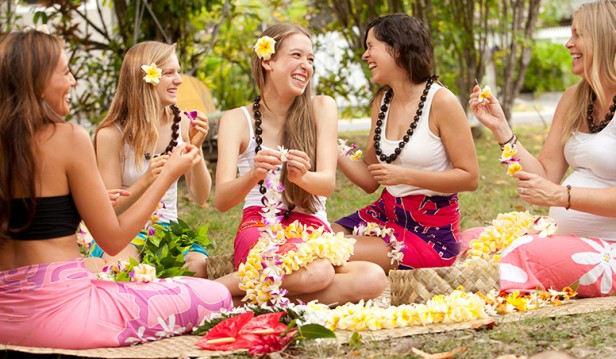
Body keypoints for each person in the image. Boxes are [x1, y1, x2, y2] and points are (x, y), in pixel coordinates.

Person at [0, 29, 231, 349]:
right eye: (65, 72)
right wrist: (163, 177)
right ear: (37, 80)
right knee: (216, 295)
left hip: (5, 318)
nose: (73, 82)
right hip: (66, 316)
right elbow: (112, 237)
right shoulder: (69, 138)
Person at [214, 23, 387, 305]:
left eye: (310, 59)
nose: (305, 65)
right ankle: (220, 293)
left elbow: (326, 184)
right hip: (261, 228)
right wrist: (253, 175)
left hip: (313, 229)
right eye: (296, 55)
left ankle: (233, 297)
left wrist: (302, 176)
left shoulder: (321, 108)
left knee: (373, 277)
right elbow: (221, 200)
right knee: (317, 273)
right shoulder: (236, 120)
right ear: (268, 60)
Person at [468, 0, 616, 297]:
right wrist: (502, 130)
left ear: (604, 39)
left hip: (608, 248)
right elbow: (546, 175)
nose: (568, 43)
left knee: (524, 253)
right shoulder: (573, 99)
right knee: (472, 241)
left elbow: (554, 190)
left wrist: (563, 196)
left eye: (578, 34)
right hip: (563, 234)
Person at [332, 14, 479, 272]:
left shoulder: (441, 101)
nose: (365, 55)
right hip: (385, 213)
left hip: (430, 234)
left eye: (371, 46)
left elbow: (469, 178)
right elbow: (369, 180)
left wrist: (404, 175)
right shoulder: (382, 102)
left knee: (333, 251)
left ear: (397, 49)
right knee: (318, 238)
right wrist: (330, 144)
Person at [90, 41, 211, 277]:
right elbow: (109, 211)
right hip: (125, 231)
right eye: (169, 73)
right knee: (123, 269)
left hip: (168, 230)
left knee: (198, 266)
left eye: (178, 71)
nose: (179, 80)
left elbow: (201, 196)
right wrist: (146, 181)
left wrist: (196, 148)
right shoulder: (111, 135)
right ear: (145, 78)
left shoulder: (183, 123)